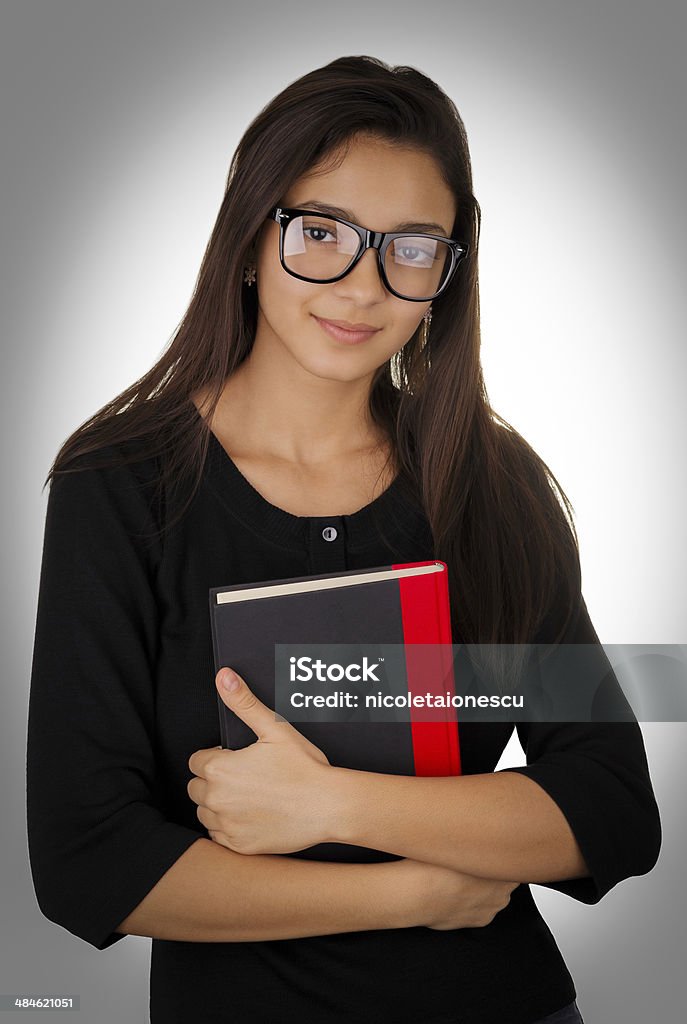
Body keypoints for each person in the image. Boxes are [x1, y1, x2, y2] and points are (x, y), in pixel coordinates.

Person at [26, 55, 661, 1024]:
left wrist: (334, 805)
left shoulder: (490, 484)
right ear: (249, 238)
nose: (363, 285)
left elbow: (611, 810)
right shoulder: (121, 481)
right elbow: (89, 864)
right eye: (321, 232)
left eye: (412, 247)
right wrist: (406, 892)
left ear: (446, 274)